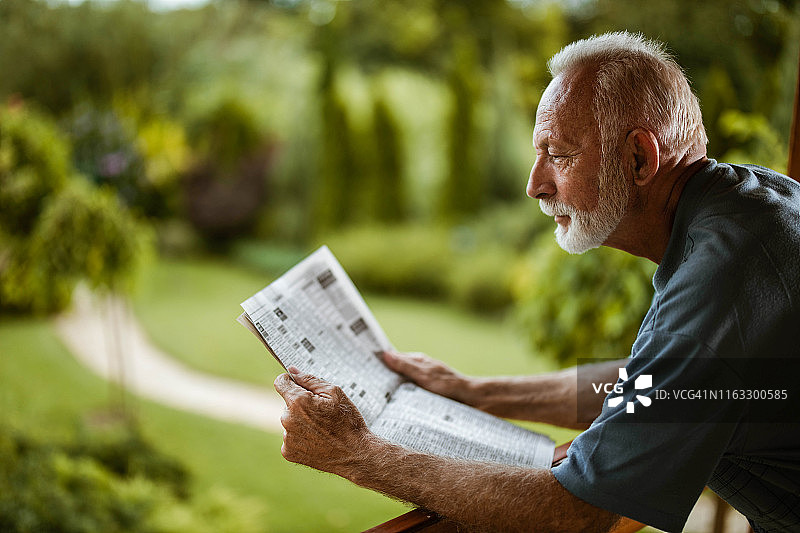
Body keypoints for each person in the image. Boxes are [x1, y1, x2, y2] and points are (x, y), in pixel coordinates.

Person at [274, 32, 800, 532]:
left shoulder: (720, 279)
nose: (534, 184)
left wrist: (357, 453)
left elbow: (576, 512)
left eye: (559, 153)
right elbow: (656, 384)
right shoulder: (752, 203)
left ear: (639, 157)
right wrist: (473, 393)